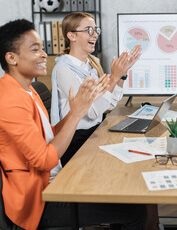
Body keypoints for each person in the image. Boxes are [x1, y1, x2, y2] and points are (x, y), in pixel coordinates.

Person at [0, 19, 147, 230]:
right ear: (11, 58)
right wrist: (77, 112)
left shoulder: (27, 90)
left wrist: (78, 109)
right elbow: (45, 160)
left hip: (51, 181)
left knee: (128, 191)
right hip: (38, 200)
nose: (44, 54)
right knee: (134, 211)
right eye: (35, 50)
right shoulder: (9, 99)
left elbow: (47, 134)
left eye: (42, 48)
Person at [51, 12, 142, 166]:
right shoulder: (64, 70)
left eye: (96, 30)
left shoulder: (92, 64)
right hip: (75, 140)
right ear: (72, 36)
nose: (95, 35)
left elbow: (109, 104)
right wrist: (114, 77)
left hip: (93, 132)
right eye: (89, 30)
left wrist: (122, 76)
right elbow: (92, 112)